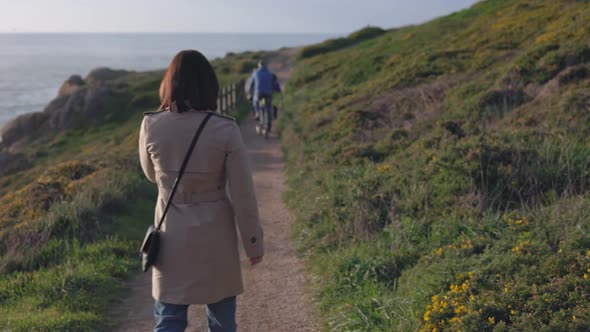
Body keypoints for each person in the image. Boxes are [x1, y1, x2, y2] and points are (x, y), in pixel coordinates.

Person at [139, 49, 264, 332]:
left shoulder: (151, 124)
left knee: (168, 319)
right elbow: (243, 194)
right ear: (209, 86)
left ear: (169, 84)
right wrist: (253, 242)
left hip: (171, 231)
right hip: (215, 234)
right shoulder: (225, 129)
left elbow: (150, 175)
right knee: (221, 320)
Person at [249, 61, 274, 134]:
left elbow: (251, 85)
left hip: (259, 94)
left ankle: (257, 112)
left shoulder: (255, 72)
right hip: (268, 94)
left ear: (259, 65)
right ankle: (268, 127)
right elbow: (272, 84)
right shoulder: (269, 73)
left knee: (256, 102)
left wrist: (249, 93)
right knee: (268, 108)